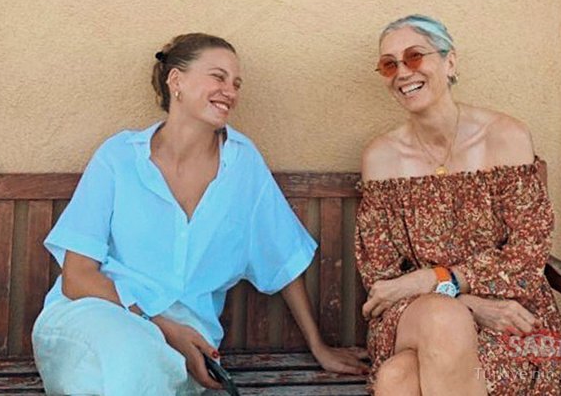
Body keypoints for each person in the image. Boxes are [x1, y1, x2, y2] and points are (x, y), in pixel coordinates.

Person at [32, 32, 368, 396]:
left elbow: (281, 255)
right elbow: (77, 278)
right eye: (218, 77)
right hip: (94, 318)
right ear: (176, 80)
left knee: (128, 375)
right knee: (129, 358)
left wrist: (318, 346)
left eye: (236, 83)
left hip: (188, 345)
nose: (230, 91)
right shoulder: (119, 157)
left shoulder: (242, 163)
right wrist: (161, 326)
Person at [355, 15, 561, 395]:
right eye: (390, 64)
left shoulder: (504, 138)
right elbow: (382, 279)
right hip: (415, 316)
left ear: (450, 62)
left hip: (508, 313)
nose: (403, 72)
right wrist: (465, 301)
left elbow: (528, 252)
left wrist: (432, 278)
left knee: (397, 379)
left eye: (414, 56)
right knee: (443, 319)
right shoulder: (381, 157)